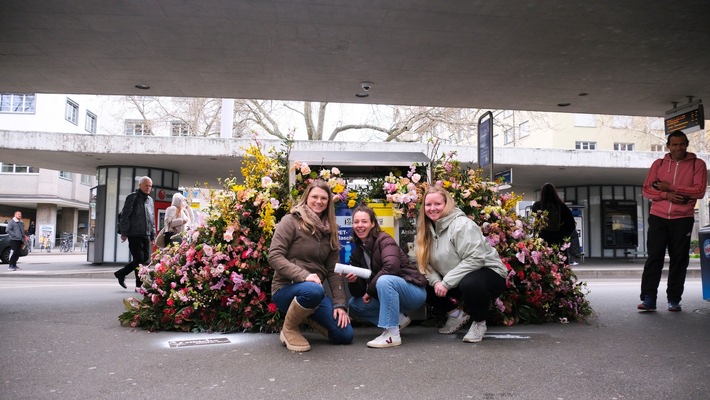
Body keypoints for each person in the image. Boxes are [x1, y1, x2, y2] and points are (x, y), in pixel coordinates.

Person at [267, 180, 354, 352]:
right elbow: (274, 256)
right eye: (314, 196)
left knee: (344, 335)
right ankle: (289, 329)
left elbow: (333, 270)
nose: (319, 201)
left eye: (324, 198)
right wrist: (304, 276)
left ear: (329, 202)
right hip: (287, 289)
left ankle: (304, 316)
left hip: (315, 293)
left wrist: (340, 305)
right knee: (312, 290)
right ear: (307, 197)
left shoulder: (331, 230)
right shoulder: (290, 221)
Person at [415, 186, 507, 343]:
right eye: (428, 205)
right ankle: (455, 315)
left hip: (488, 273)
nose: (432, 208)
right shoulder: (426, 230)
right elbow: (423, 263)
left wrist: (446, 282)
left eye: (437, 204)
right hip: (452, 278)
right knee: (416, 279)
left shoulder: (462, 225)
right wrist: (437, 282)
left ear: (447, 204)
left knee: (471, 283)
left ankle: (479, 322)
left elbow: (476, 259)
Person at [638, 130, 707, 312]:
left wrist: (672, 187)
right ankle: (648, 298)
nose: (678, 147)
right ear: (668, 146)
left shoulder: (697, 164)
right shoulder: (659, 164)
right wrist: (666, 194)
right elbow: (646, 190)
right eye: (674, 144)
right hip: (658, 217)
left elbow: (699, 191)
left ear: (686, 144)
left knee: (679, 259)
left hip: (682, 219)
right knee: (655, 257)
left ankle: (674, 299)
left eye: (681, 144)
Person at [345, 205, 428, 348]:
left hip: (413, 292)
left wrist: (370, 290)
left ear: (372, 223)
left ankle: (392, 334)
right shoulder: (357, 252)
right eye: (356, 222)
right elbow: (358, 293)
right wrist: (353, 281)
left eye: (364, 221)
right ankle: (399, 319)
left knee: (385, 280)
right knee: (355, 304)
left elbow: (391, 268)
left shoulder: (384, 239)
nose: (360, 225)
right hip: (389, 294)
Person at [114, 176, 156, 290]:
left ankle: (121, 273)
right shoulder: (132, 197)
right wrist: (124, 232)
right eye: (146, 185)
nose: (148, 188)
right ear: (140, 185)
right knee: (139, 260)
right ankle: (139, 285)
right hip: (134, 234)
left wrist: (153, 236)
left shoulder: (150, 200)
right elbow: (125, 216)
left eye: (150, 186)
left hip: (146, 234)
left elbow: (152, 219)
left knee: (145, 259)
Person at [531, 182, 576, 250]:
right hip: (558, 239)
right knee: (559, 258)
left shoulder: (537, 205)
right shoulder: (562, 206)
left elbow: (534, 223)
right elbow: (571, 224)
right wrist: (564, 234)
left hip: (542, 239)